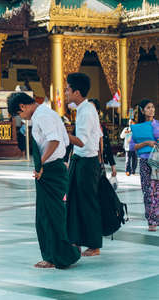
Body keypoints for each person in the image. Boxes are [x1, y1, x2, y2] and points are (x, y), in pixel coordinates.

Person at [7, 92, 81, 269]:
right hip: (51, 169)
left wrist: (40, 164)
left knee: (51, 215)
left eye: (19, 114)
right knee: (46, 214)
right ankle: (53, 255)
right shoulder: (47, 114)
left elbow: (54, 141)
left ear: (23, 106)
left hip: (51, 170)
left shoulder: (42, 116)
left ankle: (61, 256)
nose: (22, 118)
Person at [65, 73, 103, 257]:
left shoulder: (87, 111)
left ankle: (94, 244)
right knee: (74, 201)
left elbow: (80, 141)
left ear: (77, 92)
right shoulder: (82, 109)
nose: (65, 92)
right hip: (78, 161)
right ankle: (76, 239)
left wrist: (61, 134)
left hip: (87, 163)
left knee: (88, 203)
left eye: (67, 89)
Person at [130, 99, 158, 232]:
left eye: (152, 107)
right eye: (148, 108)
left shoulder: (157, 125)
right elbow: (132, 147)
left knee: (157, 190)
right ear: (142, 110)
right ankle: (151, 220)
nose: (151, 110)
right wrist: (146, 142)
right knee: (148, 191)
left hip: (157, 161)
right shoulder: (137, 128)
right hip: (145, 162)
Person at [88, 99, 117, 178]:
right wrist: (66, 161)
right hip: (84, 163)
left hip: (98, 163)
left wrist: (113, 165)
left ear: (97, 111)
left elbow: (107, 147)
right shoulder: (80, 125)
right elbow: (71, 144)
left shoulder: (101, 128)